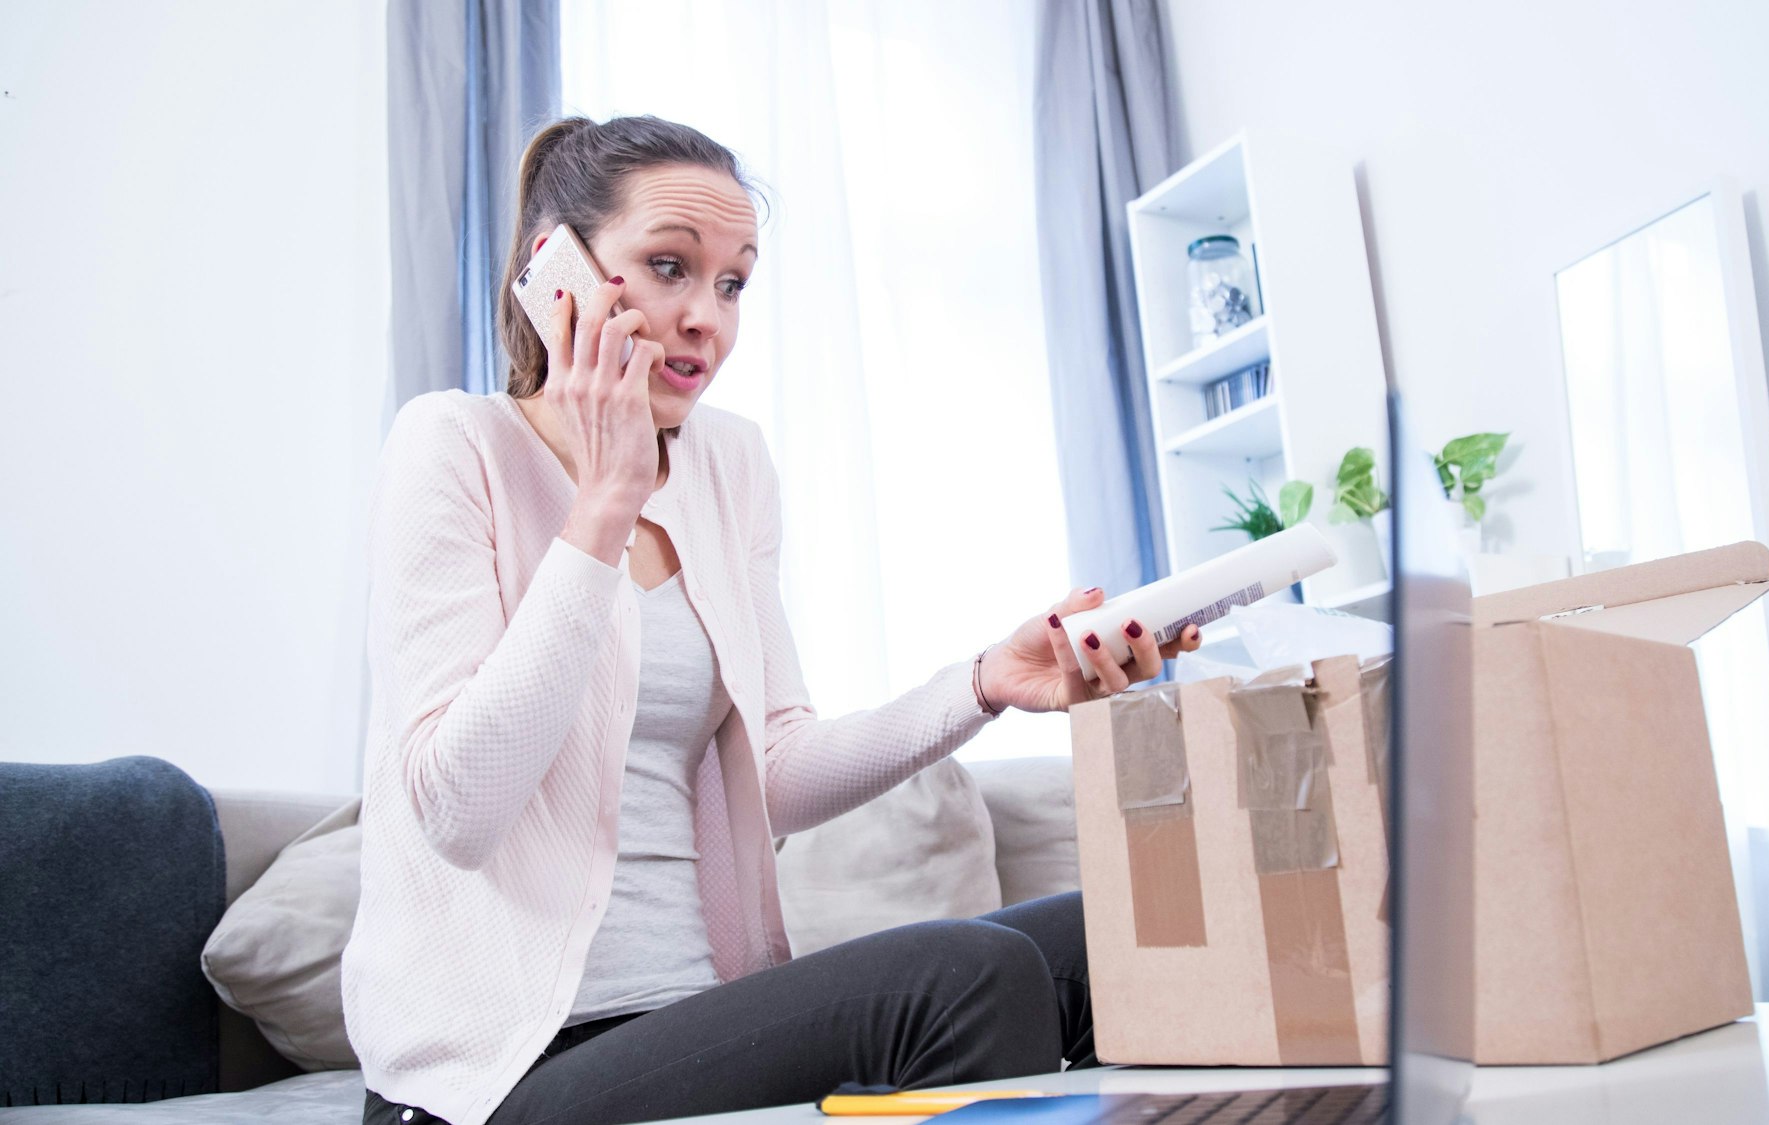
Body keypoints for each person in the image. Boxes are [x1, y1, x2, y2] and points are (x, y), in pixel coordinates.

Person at [342, 115, 1202, 1125]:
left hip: (692, 1020)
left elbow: (778, 772)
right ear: (555, 270)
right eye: (668, 266)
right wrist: (602, 505)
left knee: (1114, 939)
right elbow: (456, 808)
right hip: (502, 1075)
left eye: (732, 281)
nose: (707, 317)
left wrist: (985, 685)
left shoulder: (729, 464)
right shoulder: (453, 445)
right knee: (964, 976)